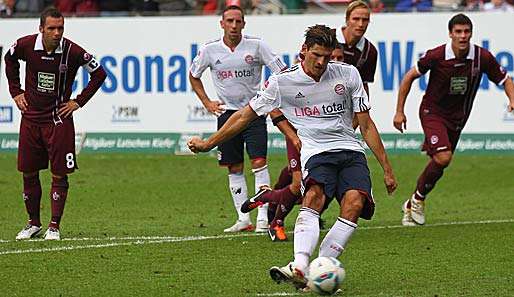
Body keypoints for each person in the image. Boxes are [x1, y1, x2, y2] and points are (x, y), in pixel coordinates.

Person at [188, 24, 397, 289]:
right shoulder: (281, 82)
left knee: (354, 203)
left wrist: (387, 169)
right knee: (313, 196)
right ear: (304, 50)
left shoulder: (349, 74)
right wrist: (208, 144)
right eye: (316, 55)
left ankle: (320, 268)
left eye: (327, 56)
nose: (322, 62)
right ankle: (299, 264)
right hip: (315, 152)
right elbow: (243, 116)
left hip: (350, 150)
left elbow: (366, 125)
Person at [393, 13, 514, 226]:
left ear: (471, 33)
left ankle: (411, 204)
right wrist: (399, 111)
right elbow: (409, 77)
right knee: (443, 157)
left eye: (466, 31)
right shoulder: (437, 55)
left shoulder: (481, 57)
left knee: (440, 164)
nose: (462, 36)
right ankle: (418, 199)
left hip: (458, 118)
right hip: (432, 112)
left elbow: (505, 79)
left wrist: (512, 99)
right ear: (450, 34)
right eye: (458, 32)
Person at [4, 8, 107, 240]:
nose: (57, 32)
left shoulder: (73, 51)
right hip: (31, 120)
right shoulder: (26, 45)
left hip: (58, 120)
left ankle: (54, 226)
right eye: (51, 28)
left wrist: (78, 102)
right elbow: (9, 58)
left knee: (59, 174)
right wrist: (15, 92)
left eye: (60, 28)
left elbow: (99, 73)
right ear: (41, 29)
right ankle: (33, 224)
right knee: (28, 172)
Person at [189, 5, 286, 233]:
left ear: (244, 24)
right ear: (222, 24)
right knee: (233, 166)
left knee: (259, 163)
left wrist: (268, 92)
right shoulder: (210, 50)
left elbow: (281, 72)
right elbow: (194, 76)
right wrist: (207, 102)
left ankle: (262, 218)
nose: (234, 26)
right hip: (227, 115)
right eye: (229, 21)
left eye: (238, 21)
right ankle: (243, 219)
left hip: (253, 112)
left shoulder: (257, 45)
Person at [239, 43, 346, 243]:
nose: (335, 62)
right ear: (305, 52)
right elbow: (272, 108)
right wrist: (293, 136)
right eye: (334, 57)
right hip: (297, 137)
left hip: (322, 140)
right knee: (298, 185)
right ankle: (276, 223)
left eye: (338, 58)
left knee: (317, 183)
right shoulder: (288, 78)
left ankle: (267, 196)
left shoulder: (337, 78)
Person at [336, 0, 377, 97]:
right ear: (347, 20)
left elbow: (363, 85)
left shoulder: (370, 51)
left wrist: (365, 109)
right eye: (356, 19)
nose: (360, 24)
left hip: (347, 101)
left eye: (365, 20)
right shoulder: (327, 38)